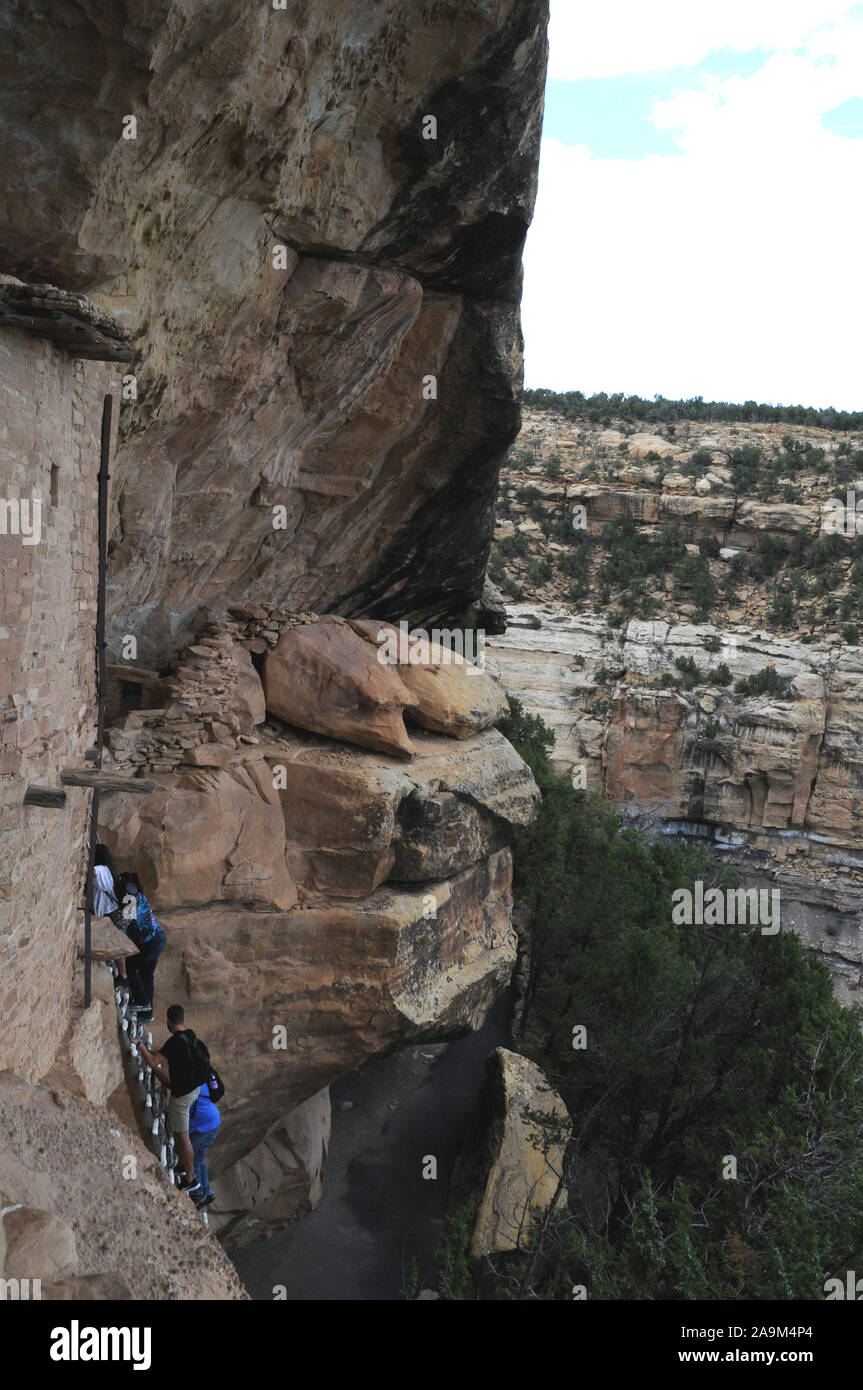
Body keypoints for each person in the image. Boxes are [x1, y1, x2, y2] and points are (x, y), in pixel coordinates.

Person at [138, 1005, 205, 1196]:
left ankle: (191, 1180)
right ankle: (184, 1167)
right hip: (193, 1089)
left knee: (182, 1135)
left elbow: (152, 1062)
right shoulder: (190, 1035)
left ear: (169, 1022)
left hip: (182, 1097)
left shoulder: (174, 1042)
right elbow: (166, 1060)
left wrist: (139, 1045)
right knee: (180, 1133)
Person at [118, 871, 165, 1024]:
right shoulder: (140, 896)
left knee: (129, 967)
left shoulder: (130, 897)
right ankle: (148, 1012)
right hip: (158, 938)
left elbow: (125, 926)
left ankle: (143, 1002)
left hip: (149, 943)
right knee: (146, 974)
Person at [188, 1074, 220, 1209]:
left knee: (192, 1159)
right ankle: (207, 1192)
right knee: (199, 1158)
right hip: (213, 1122)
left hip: (202, 1127)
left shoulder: (190, 1083)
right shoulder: (201, 1077)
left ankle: (197, 1196)